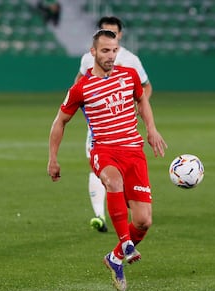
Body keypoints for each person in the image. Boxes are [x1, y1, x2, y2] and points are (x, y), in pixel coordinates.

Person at [48, 29, 167, 291]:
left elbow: (142, 101)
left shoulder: (130, 75)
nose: (111, 56)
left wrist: (152, 129)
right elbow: (60, 122)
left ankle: (114, 258)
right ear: (93, 52)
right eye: (105, 51)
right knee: (112, 181)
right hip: (104, 150)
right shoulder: (81, 88)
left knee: (144, 221)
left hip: (134, 153)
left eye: (114, 50)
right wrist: (52, 158)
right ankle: (125, 242)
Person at [74, 16, 153, 233]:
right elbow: (78, 84)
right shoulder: (87, 59)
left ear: (120, 35)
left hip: (125, 129)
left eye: (113, 33)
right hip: (99, 128)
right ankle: (99, 214)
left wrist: (138, 105)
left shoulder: (130, 60)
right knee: (97, 166)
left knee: (123, 172)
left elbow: (146, 87)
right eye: (104, 31)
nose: (109, 36)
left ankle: (128, 206)